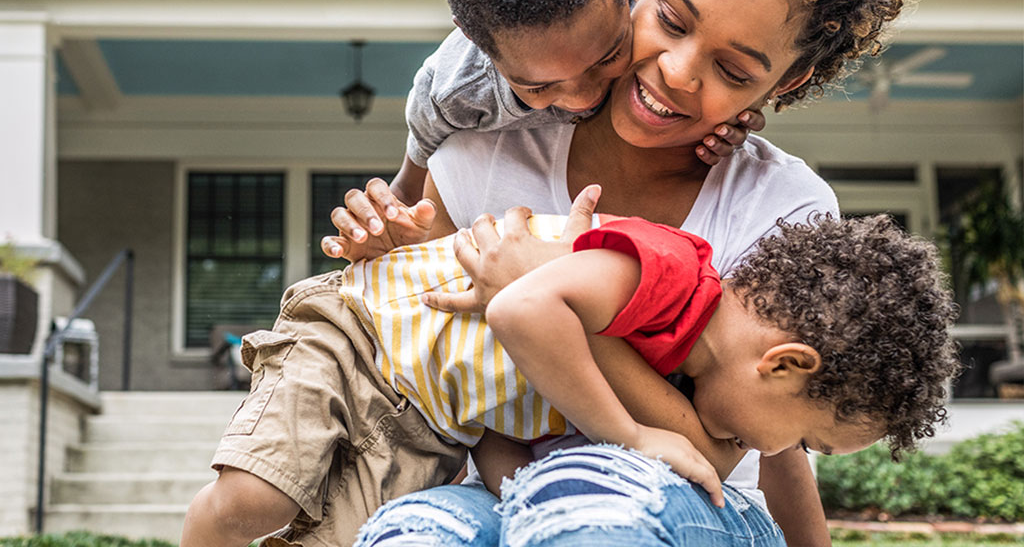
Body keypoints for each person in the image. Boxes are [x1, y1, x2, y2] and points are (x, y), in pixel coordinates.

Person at [326, 0, 909, 547]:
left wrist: (551, 295)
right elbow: (423, 363)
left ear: (782, 84)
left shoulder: (779, 207)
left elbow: (759, 444)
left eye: (731, 69)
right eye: (671, 20)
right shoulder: (481, 154)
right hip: (500, 496)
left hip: (686, 506)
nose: (677, 73)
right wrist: (387, 251)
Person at [182, 208, 957, 547]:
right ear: (786, 364)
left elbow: (501, 427)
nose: (784, 450)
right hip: (361, 331)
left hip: (426, 420)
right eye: (810, 437)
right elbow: (520, 308)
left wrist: (515, 483)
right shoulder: (671, 275)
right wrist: (635, 435)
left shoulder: (665, 382)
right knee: (255, 501)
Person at [356, 0, 761, 215]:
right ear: (478, 44)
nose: (583, 98)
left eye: (608, 56)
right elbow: (407, 200)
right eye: (540, 86)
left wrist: (735, 107)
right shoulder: (452, 94)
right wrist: (385, 226)